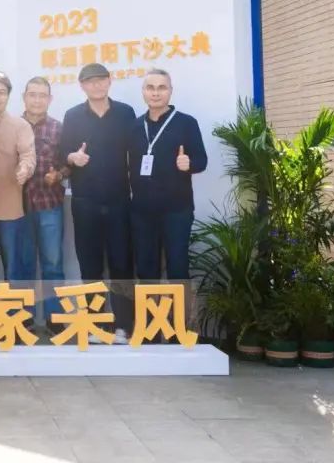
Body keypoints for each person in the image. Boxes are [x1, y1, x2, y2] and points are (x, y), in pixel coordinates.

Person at [59, 62, 136, 344]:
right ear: (82, 86)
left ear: (109, 82)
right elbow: (62, 154)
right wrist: (72, 158)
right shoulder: (73, 115)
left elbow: (138, 151)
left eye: (101, 80)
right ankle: (94, 325)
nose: (97, 85)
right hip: (85, 201)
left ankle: (123, 326)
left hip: (120, 201)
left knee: (121, 265)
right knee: (89, 266)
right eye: (90, 81)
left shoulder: (125, 113)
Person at [128, 68, 207, 285]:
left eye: (162, 87)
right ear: (143, 91)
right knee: (145, 269)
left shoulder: (186, 123)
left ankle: (180, 309)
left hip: (177, 210)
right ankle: (151, 308)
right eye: (150, 88)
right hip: (142, 211)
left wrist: (189, 164)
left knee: (177, 268)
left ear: (170, 91)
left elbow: (202, 160)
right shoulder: (135, 126)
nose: (156, 93)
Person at [0, 71, 36, 316]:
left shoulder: (20, 125)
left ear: (9, 96)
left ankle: (17, 319)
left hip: (9, 206)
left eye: (1, 92)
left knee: (13, 268)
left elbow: (28, 155)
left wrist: (25, 170)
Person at [20, 76, 69, 333]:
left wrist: (58, 175)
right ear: (24, 97)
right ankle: (24, 318)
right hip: (18, 207)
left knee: (53, 264)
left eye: (42, 95)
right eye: (32, 94)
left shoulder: (59, 128)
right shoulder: (12, 126)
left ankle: (54, 317)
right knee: (24, 265)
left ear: (49, 99)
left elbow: (68, 164)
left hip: (50, 204)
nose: (37, 100)